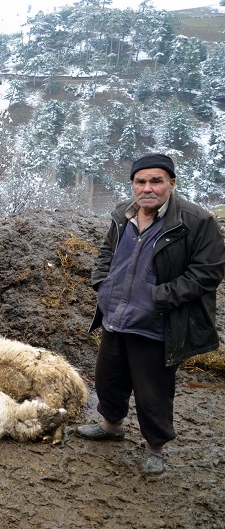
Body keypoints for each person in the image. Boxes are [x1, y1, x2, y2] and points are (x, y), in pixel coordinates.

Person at [77, 153, 225, 475]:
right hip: (116, 316)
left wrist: (161, 297)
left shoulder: (196, 221)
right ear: (132, 184)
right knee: (109, 378)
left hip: (157, 322)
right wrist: (102, 283)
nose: (148, 188)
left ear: (171, 183)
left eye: (156, 181)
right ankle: (111, 425)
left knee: (152, 391)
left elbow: (208, 272)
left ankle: (155, 447)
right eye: (140, 181)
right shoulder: (122, 214)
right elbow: (106, 252)